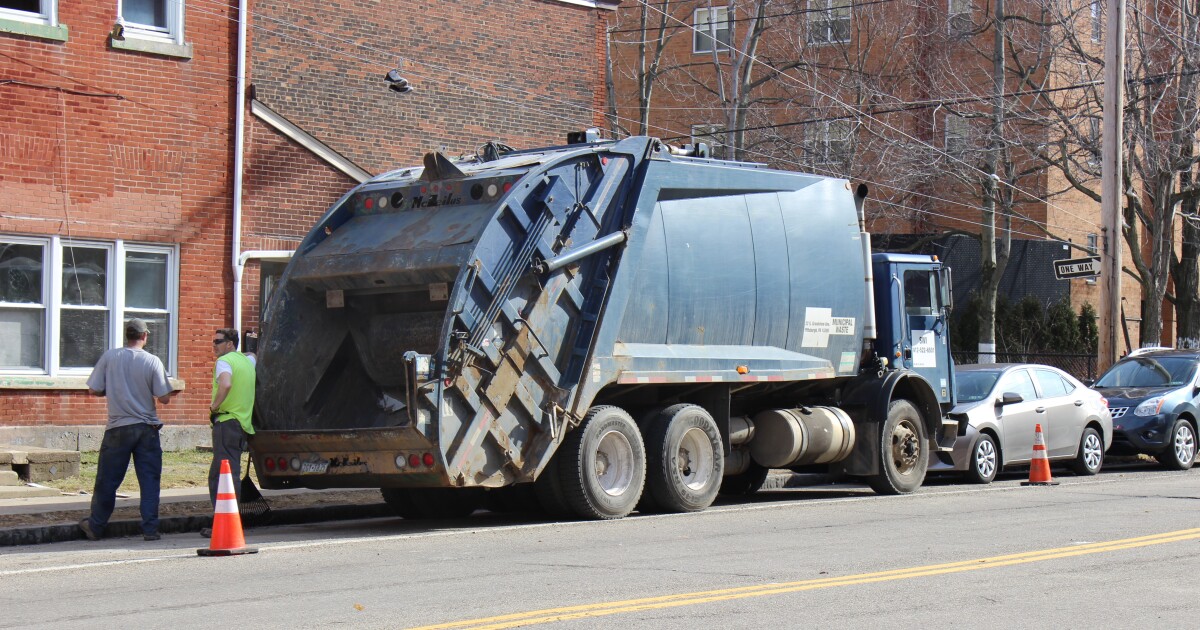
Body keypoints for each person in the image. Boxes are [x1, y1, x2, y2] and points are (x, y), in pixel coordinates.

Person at [79, 318, 174, 542]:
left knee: (107, 480)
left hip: (117, 428)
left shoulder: (110, 357)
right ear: (145, 336)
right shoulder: (152, 361)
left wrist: (112, 389)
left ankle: (96, 526)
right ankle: (150, 530)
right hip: (146, 429)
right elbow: (165, 398)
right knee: (149, 481)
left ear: (127, 335)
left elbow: (94, 389)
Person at [203, 328, 256, 536]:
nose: (214, 345)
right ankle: (227, 520)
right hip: (242, 425)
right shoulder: (246, 362)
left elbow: (225, 383)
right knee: (225, 473)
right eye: (213, 341)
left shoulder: (224, 362)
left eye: (219, 341)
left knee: (223, 476)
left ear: (230, 344)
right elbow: (253, 356)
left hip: (226, 421)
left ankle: (226, 523)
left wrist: (214, 406)